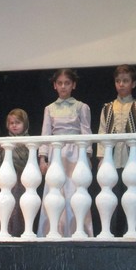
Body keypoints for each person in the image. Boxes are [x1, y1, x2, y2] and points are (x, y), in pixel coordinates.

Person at [37, 68, 93, 237]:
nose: (63, 86)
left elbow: (87, 133)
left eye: (67, 83)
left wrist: (87, 156)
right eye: (60, 83)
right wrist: (42, 158)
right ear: (55, 85)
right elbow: (45, 135)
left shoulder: (82, 107)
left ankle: (78, 230)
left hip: (75, 154)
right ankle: (54, 230)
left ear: (73, 85)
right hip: (56, 154)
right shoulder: (49, 109)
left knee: (75, 192)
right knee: (55, 192)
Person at [96, 64, 136, 236]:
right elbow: (102, 133)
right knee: (110, 197)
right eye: (118, 81)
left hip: (132, 159)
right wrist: (101, 158)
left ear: (133, 83)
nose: (121, 84)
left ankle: (133, 232)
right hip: (112, 160)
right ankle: (109, 231)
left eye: (125, 81)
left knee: (133, 198)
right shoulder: (107, 107)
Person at [0, 108, 31, 237]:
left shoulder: (30, 143)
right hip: (7, 183)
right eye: (11, 123)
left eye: (18, 122)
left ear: (25, 123)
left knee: (20, 209)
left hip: (22, 183)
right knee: (6, 208)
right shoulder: (4, 143)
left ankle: (19, 234)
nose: (14, 125)